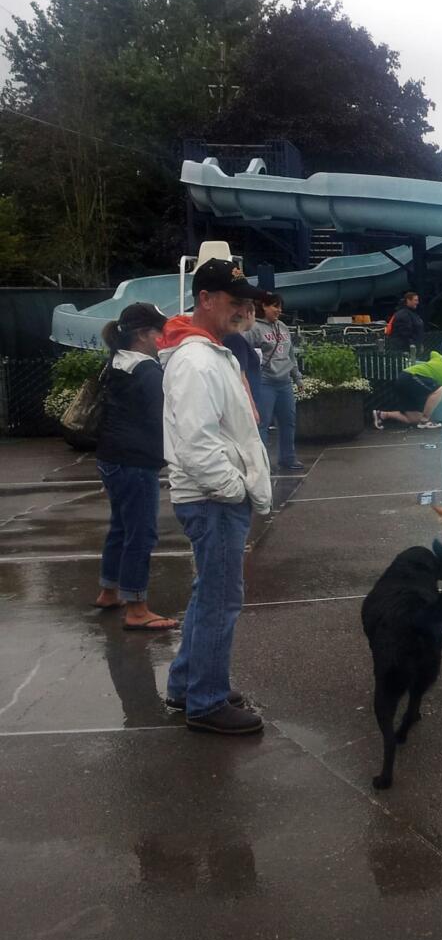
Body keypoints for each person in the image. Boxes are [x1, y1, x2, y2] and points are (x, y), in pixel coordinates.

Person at [160, 258, 273, 734]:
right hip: (213, 499)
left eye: (247, 302)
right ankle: (206, 701)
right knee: (222, 598)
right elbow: (196, 442)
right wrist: (234, 489)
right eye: (234, 300)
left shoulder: (208, 352)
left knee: (211, 592)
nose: (244, 308)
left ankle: (189, 683)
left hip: (212, 497)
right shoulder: (195, 360)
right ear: (204, 299)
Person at [94, 301, 174, 631]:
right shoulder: (146, 370)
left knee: (121, 527)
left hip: (110, 457)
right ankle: (137, 608)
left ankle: (109, 591)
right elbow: (166, 417)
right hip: (134, 461)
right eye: (161, 333)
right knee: (140, 532)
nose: (164, 340)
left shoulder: (116, 361)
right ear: (144, 335)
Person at [250, 292, 305, 472]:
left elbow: (290, 355)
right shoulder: (254, 329)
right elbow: (247, 354)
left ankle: (288, 458)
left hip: (284, 382)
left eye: (280, 306)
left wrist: (297, 378)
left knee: (288, 421)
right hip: (265, 382)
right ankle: (263, 462)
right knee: (263, 423)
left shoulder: (283, 327)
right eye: (275, 306)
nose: (279, 310)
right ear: (264, 306)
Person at [374, 351, 442, 430]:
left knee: (414, 419)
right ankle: (425, 421)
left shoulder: (439, 358)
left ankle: (382, 415)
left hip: (403, 377)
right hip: (411, 377)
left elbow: (433, 352)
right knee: (440, 390)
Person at [223, 301, 261, 414]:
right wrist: (251, 407)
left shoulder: (234, 338)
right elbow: (241, 376)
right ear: (249, 314)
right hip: (243, 404)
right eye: (254, 315)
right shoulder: (236, 340)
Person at [387, 291, 425, 356]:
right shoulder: (404, 315)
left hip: (410, 348)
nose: (417, 302)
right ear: (408, 300)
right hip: (405, 350)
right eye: (415, 300)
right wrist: (413, 346)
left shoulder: (410, 313)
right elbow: (405, 334)